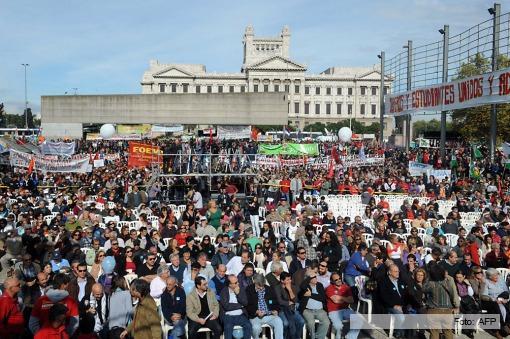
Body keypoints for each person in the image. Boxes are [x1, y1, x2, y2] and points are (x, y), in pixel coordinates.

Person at [29, 273, 79, 337]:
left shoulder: (40, 300)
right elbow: (75, 323)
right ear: (63, 285)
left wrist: (42, 335)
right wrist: (64, 335)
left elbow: (32, 324)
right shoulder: (71, 301)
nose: (68, 287)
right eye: (68, 285)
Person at [422, 264, 460, 339]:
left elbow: (423, 289)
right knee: (448, 331)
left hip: (433, 310)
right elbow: (454, 294)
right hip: (447, 310)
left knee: (434, 332)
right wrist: (456, 305)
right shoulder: (449, 281)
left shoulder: (430, 283)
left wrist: (428, 278)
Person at [245, 273, 283, 339]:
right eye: (259, 286)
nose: (261, 288)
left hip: (269, 314)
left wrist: (276, 310)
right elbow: (247, 305)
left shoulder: (269, 289)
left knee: (279, 321)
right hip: (255, 317)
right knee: (255, 328)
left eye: (262, 285)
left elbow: (275, 302)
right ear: (255, 282)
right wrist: (256, 311)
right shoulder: (249, 290)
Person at [325, 272, 360, 339]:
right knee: (338, 326)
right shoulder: (329, 288)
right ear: (332, 281)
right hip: (333, 311)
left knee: (358, 320)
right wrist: (346, 298)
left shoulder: (346, 287)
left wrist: (340, 297)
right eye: (336, 280)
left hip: (345, 309)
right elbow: (336, 300)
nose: (339, 280)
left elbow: (352, 300)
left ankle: (350, 337)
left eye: (339, 278)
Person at [299, 271, 331, 339]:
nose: (315, 279)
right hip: (307, 310)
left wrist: (311, 295)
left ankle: (318, 337)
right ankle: (312, 337)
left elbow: (322, 298)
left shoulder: (319, 285)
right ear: (308, 279)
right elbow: (301, 285)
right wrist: (308, 278)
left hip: (320, 310)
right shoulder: (306, 286)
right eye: (313, 278)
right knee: (311, 323)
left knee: (326, 322)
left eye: (315, 277)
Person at [219, 274, 252, 339]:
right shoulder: (224, 291)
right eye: (236, 282)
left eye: (238, 281)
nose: (238, 283)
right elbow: (226, 306)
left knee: (248, 325)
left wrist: (238, 294)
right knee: (228, 327)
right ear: (230, 284)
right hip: (228, 316)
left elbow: (245, 303)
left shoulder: (241, 290)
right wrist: (240, 305)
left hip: (240, 315)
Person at [378, 264, 406, 338]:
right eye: (395, 271)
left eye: (398, 271)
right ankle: (399, 333)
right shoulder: (384, 282)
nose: (398, 273)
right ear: (389, 272)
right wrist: (394, 305)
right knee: (401, 317)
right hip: (390, 305)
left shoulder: (400, 281)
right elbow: (384, 297)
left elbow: (406, 293)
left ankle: (411, 333)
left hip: (402, 304)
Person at [274, 271, 304, 339]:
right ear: (282, 280)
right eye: (287, 280)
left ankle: (296, 337)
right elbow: (279, 301)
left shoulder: (293, 287)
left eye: (290, 279)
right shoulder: (277, 288)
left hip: (292, 309)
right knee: (286, 323)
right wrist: (288, 303)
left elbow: (295, 300)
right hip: (282, 310)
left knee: (301, 321)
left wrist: (290, 290)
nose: (290, 281)